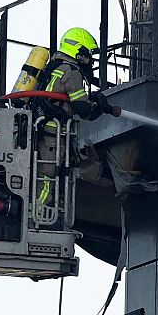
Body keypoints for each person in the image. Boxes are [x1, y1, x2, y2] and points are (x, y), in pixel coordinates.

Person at [33, 27, 120, 225]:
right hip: (52, 137)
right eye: (87, 53)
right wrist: (99, 107)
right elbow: (82, 108)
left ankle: (34, 217)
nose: (89, 59)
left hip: (44, 133)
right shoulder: (71, 72)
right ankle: (33, 220)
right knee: (47, 179)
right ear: (78, 51)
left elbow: (68, 99)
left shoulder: (55, 67)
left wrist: (94, 100)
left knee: (42, 177)